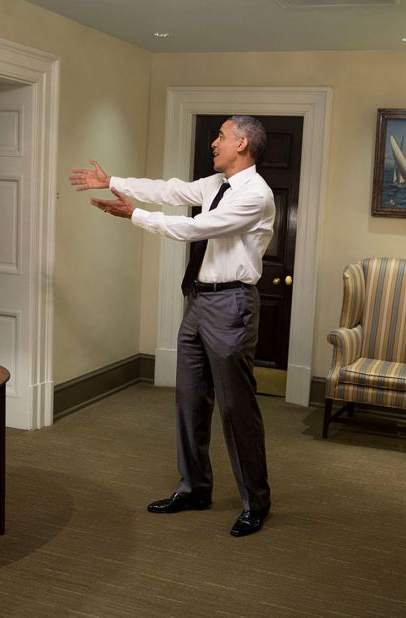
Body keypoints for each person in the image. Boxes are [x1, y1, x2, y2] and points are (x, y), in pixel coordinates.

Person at [69, 116, 274, 537]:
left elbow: (196, 228)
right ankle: (195, 488)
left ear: (242, 142)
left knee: (236, 410)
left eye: (221, 136)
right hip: (198, 302)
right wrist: (113, 182)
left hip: (232, 305)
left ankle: (257, 501)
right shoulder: (215, 185)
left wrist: (136, 217)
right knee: (189, 401)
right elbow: (171, 189)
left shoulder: (255, 195)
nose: (214, 142)